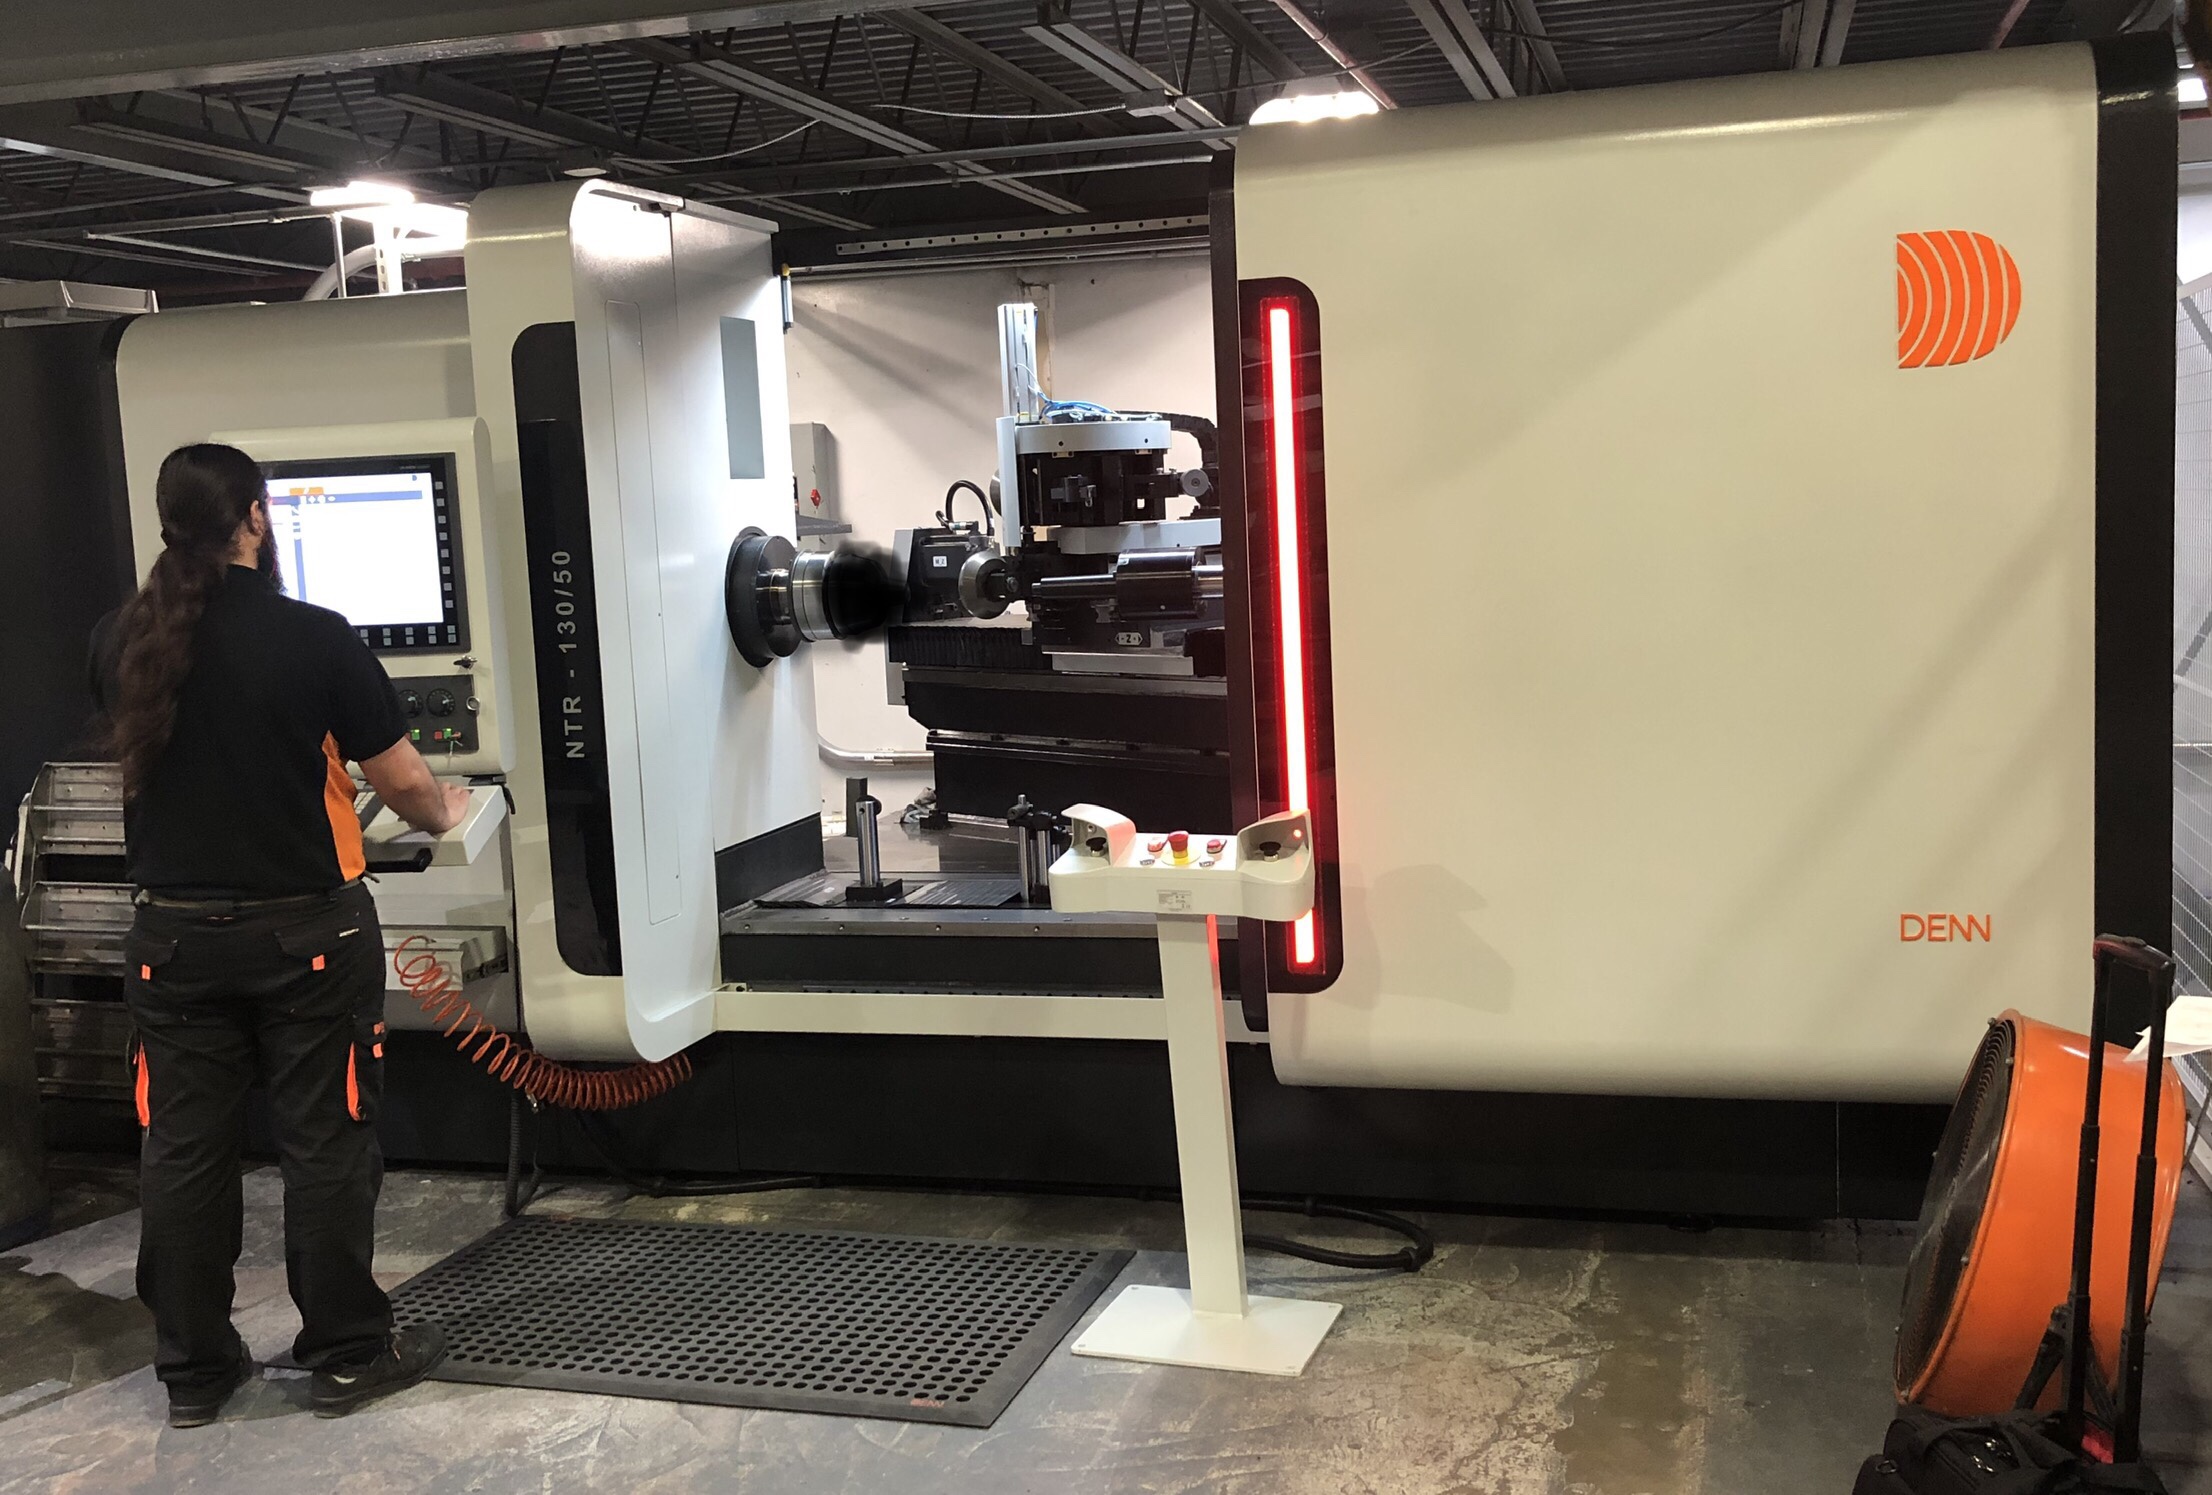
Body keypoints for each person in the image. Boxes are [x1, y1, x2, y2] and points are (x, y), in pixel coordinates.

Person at [90, 443, 464, 1428]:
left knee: (182, 1148)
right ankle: (346, 1351)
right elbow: (404, 784)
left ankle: (194, 1368)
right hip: (307, 937)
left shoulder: (118, 640)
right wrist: (450, 812)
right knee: (325, 1140)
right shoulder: (315, 637)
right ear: (256, 516)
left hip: (169, 943)